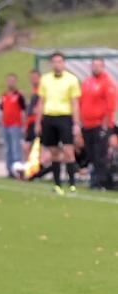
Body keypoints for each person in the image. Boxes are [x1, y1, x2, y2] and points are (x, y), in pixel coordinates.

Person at [34, 52, 82, 195]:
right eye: (54, 62)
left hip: (64, 117)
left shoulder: (72, 80)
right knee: (54, 152)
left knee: (68, 151)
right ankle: (57, 185)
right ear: (51, 64)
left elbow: (75, 103)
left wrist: (76, 123)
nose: (57, 64)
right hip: (49, 117)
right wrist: (38, 122)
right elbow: (41, 101)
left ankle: (72, 184)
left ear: (64, 63)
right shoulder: (45, 80)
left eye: (60, 62)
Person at [79, 58, 117, 190]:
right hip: (87, 125)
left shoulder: (107, 83)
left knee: (100, 154)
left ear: (103, 67)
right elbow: (81, 102)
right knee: (91, 154)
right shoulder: (86, 82)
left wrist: (105, 126)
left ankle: (101, 182)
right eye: (93, 65)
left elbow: (110, 107)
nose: (95, 68)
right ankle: (94, 179)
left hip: (100, 125)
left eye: (98, 65)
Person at [0, 73, 26, 178]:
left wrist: (23, 125)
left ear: (15, 81)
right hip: (5, 125)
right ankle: (9, 171)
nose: (11, 82)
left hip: (15, 125)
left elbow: (23, 110)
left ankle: (17, 171)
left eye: (12, 80)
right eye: (9, 80)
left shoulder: (19, 95)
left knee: (16, 149)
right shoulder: (4, 96)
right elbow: (2, 110)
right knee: (8, 149)